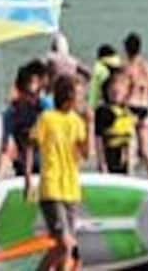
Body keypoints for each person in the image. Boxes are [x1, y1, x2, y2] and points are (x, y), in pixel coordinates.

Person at [28, 73, 92, 271]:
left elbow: (86, 154)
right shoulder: (47, 118)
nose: (82, 99)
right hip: (52, 187)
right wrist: (28, 179)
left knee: (63, 249)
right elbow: (30, 145)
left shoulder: (77, 122)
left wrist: (90, 124)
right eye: (79, 95)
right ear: (68, 95)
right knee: (66, 243)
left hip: (72, 190)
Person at [118, 32, 148, 179]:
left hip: (130, 108)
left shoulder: (127, 68)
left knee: (130, 150)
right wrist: (144, 93)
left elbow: (122, 92)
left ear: (126, 49)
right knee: (146, 150)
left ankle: (129, 179)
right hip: (144, 108)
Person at [0, 60, 49, 180]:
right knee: (9, 149)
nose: (37, 97)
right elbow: (5, 150)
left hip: (48, 167)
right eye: (32, 93)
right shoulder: (10, 114)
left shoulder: (46, 107)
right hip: (23, 168)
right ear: (20, 90)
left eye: (40, 91)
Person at [95, 75, 136, 174]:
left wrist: (132, 161)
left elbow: (132, 139)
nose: (116, 94)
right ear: (107, 92)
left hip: (126, 158)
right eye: (113, 92)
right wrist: (102, 163)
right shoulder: (104, 112)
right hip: (110, 157)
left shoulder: (128, 111)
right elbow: (98, 139)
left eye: (119, 92)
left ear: (126, 93)